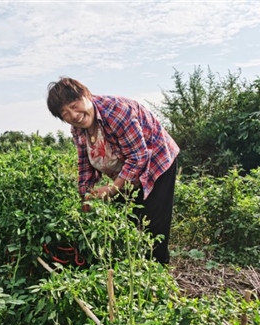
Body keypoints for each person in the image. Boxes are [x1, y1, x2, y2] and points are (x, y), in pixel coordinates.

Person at [46, 77, 179, 264]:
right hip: (128, 170)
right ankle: (131, 265)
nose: (74, 115)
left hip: (156, 162)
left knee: (154, 222)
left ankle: (158, 272)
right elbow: (85, 167)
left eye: (75, 105)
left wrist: (112, 189)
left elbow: (139, 157)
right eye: (65, 113)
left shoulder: (117, 112)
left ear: (86, 95)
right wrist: (85, 200)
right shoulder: (78, 130)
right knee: (127, 220)